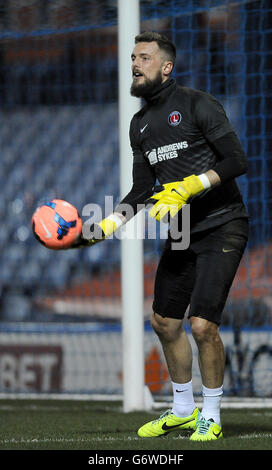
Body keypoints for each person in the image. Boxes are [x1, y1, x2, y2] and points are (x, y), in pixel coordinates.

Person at [75, 31, 248, 441]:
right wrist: (107, 225)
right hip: (183, 231)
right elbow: (141, 192)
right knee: (164, 322)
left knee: (203, 325)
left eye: (145, 57)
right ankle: (183, 408)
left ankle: (212, 413)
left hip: (223, 222)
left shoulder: (196, 103)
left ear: (166, 67)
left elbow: (236, 160)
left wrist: (190, 186)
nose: (135, 63)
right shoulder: (139, 125)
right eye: (133, 57)